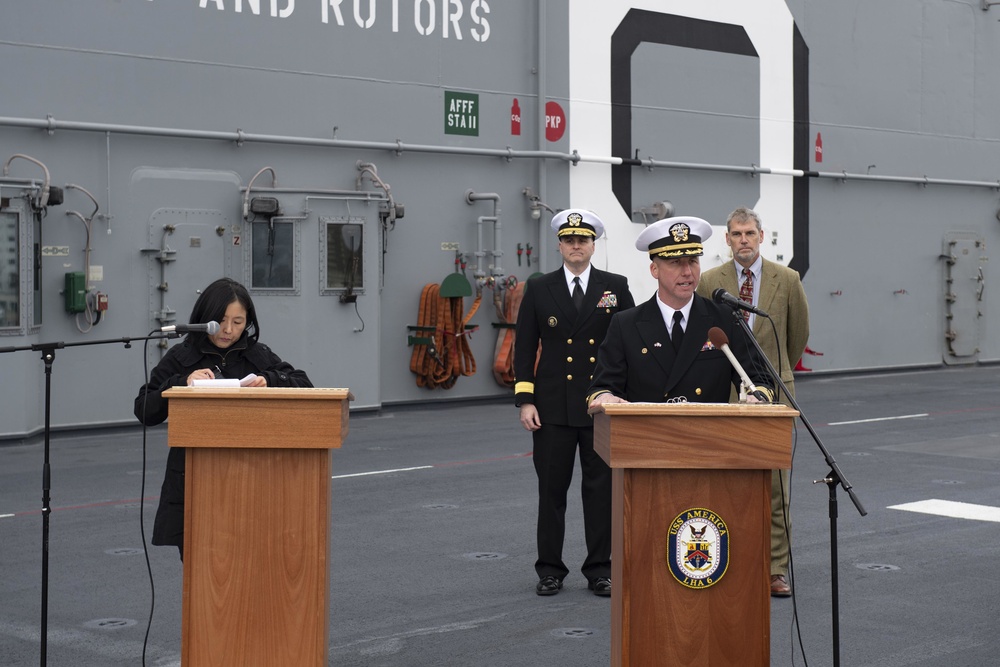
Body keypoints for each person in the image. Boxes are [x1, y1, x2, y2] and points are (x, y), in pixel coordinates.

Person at [134, 277, 313, 559]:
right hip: (195, 478)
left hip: (253, 479)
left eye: (239, 322)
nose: (229, 330)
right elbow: (144, 408)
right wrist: (182, 382)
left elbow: (304, 384)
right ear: (205, 318)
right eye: (221, 321)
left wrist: (270, 379)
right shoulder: (181, 357)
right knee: (201, 569)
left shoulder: (257, 354)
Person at [514, 209, 635, 597]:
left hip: (599, 406)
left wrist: (624, 399)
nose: (576, 245)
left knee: (600, 493)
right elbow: (524, 347)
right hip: (551, 408)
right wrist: (525, 400)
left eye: (583, 240)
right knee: (551, 492)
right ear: (559, 245)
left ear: (593, 244)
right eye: (569, 240)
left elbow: (629, 346)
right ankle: (550, 569)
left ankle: (600, 569)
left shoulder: (614, 285)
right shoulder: (539, 287)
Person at [696, 206, 809, 597]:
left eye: (749, 233)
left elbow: (794, 337)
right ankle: (731, 560)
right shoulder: (710, 281)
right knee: (727, 481)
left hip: (774, 396)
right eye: (736, 234)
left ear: (761, 236)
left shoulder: (788, 279)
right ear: (727, 240)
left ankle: (775, 568)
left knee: (776, 486)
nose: (743, 240)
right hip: (726, 396)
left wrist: (773, 374)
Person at [587, 215, 774, 406]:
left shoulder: (725, 319)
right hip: (649, 433)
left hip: (709, 433)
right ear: (654, 270)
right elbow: (603, 386)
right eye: (676, 262)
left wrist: (757, 395)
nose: (687, 272)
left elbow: (759, 379)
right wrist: (605, 396)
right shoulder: (625, 325)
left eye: (693, 261)